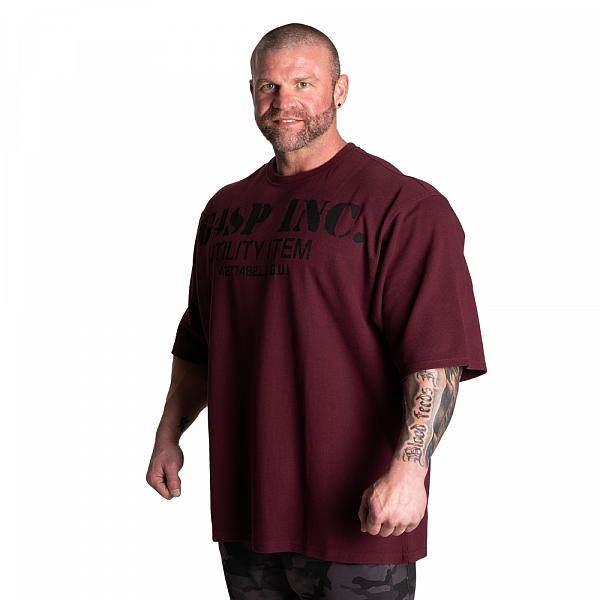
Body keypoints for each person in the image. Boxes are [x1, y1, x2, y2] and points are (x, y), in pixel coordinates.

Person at [146, 22, 487, 600]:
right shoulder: (225, 210)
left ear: (340, 89)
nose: (284, 101)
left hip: (361, 518)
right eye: (269, 86)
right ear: (252, 93)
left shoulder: (403, 205)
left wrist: (410, 472)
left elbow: (435, 357)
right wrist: (167, 435)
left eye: (303, 83)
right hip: (249, 514)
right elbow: (200, 341)